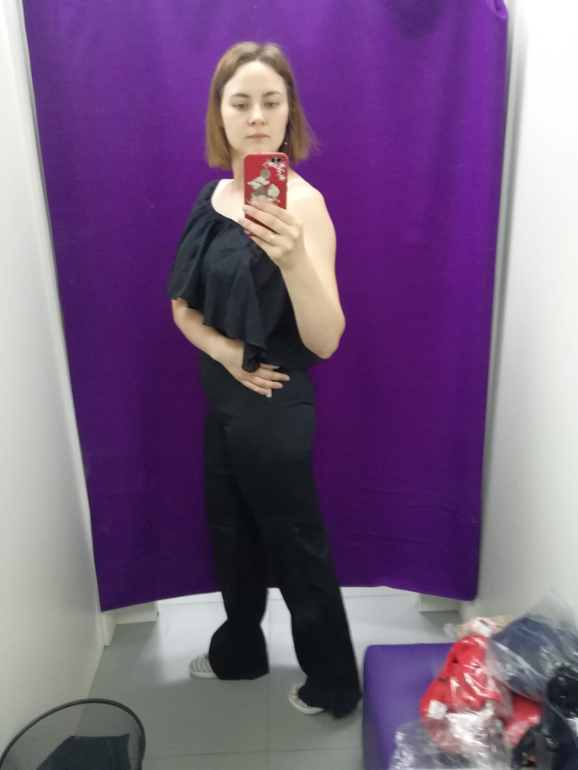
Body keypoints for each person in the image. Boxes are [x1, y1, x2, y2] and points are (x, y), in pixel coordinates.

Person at [167, 41, 362, 719]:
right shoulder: (213, 197)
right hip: (223, 392)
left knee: (296, 547)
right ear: (220, 114)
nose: (256, 116)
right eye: (240, 102)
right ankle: (240, 652)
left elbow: (327, 339)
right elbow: (181, 307)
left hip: (274, 403)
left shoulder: (303, 205)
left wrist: (296, 259)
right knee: (231, 532)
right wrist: (225, 353)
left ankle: (334, 684)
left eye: (270, 102)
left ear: (288, 114)